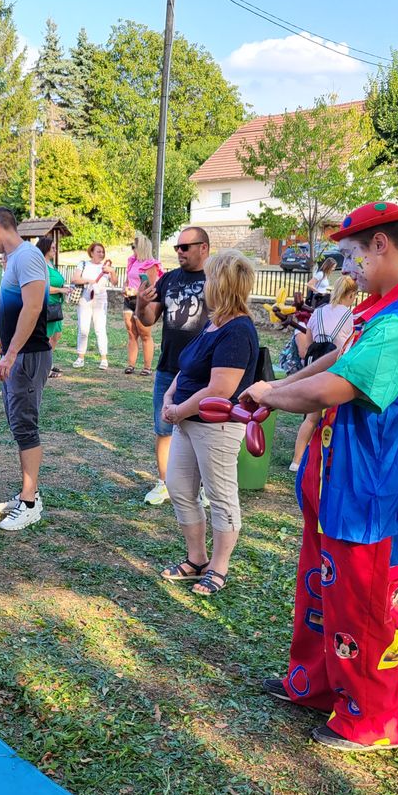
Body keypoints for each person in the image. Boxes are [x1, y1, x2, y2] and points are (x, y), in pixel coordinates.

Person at [242, 201, 398, 752]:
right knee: (321, 592)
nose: (347, 269)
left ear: (381, 244)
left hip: (373, 490)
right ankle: (314, 683)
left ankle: (369, 720)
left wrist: (274, 395)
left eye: (353, 256)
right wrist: (275, 393)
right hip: (341, 479)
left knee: (363, 607)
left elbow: (339, 388)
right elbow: (336, 363)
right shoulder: (384, 308)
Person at [159, 250, 259, 596]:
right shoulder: (213, 322)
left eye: (210, 278)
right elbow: (188, 369)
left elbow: (220, 389)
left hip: (215, 425)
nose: (204, 284)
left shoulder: (238, 330)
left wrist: (179, 409)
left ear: (222, 284)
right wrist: (171, 399)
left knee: (220, 495)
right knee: (179, 488)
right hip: (187, 420)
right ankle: (196, 559)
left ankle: (218, 567)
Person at [0, 207, 52, 531]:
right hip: (18, 354)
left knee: (25, 425)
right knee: (19, 424)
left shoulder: (26, 256)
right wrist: (5, 343)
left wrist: (11, 354)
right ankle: (28, 493)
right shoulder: (16, 259)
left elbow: (35, 306)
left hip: (27, 356)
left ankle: (29, 503)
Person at [136, 226, 212, 506]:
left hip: (204, 370)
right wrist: (139, 304)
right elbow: (147, 320)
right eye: (177, 248)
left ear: (203, 247)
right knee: (163, 427)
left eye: (185, 247)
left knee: (201, 430)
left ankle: (201, 486)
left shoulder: (215, 279)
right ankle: (164, 482)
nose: (179, 252)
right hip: (169, 366)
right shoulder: (168, 279)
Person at [289, 274, 357, 471]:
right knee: (336, 416)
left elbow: (307, 340)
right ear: (351, 295)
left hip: (315, 364)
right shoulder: (350, 317)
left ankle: (297, 460)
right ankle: (329, 460)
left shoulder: (317, 312)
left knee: (311, 417)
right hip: (335, 367)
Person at [71, 242, 113, 370]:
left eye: (102, 252)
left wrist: (112, 271)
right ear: (92, 252)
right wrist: (90, 281)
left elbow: (115, 281)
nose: (101, 254)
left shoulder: (106, 267)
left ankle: (104, 359)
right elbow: (75, 279)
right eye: (98, 251)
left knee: (100, 329)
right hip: (85, 297)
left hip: (100, 299)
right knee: (83, 329)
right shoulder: (83, 264)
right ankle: (80, 357)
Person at [124, 234, 159, 376]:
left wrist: (137, 292)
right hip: (128, 300)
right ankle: (131, 365)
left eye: (134, 247)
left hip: (142, 301)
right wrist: (125, 288)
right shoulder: (132, 262)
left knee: (144, 334)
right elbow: (128, 280)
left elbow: (151, 287)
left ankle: (147, 367)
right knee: (131, 333)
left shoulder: (151, 265)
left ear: (142, 247)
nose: (133, 249)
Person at [37, 235, 66, 377]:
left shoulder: (51, 264)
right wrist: (61, 290)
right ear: (45, 248)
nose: (55, 250)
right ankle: (44, 367)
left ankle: (48, 362)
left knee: (57, 335)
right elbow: (43, 287)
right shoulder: (41, 264)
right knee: (47, 337)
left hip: (56, 305)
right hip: (47, 305)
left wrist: (64, 288)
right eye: (52, 247)